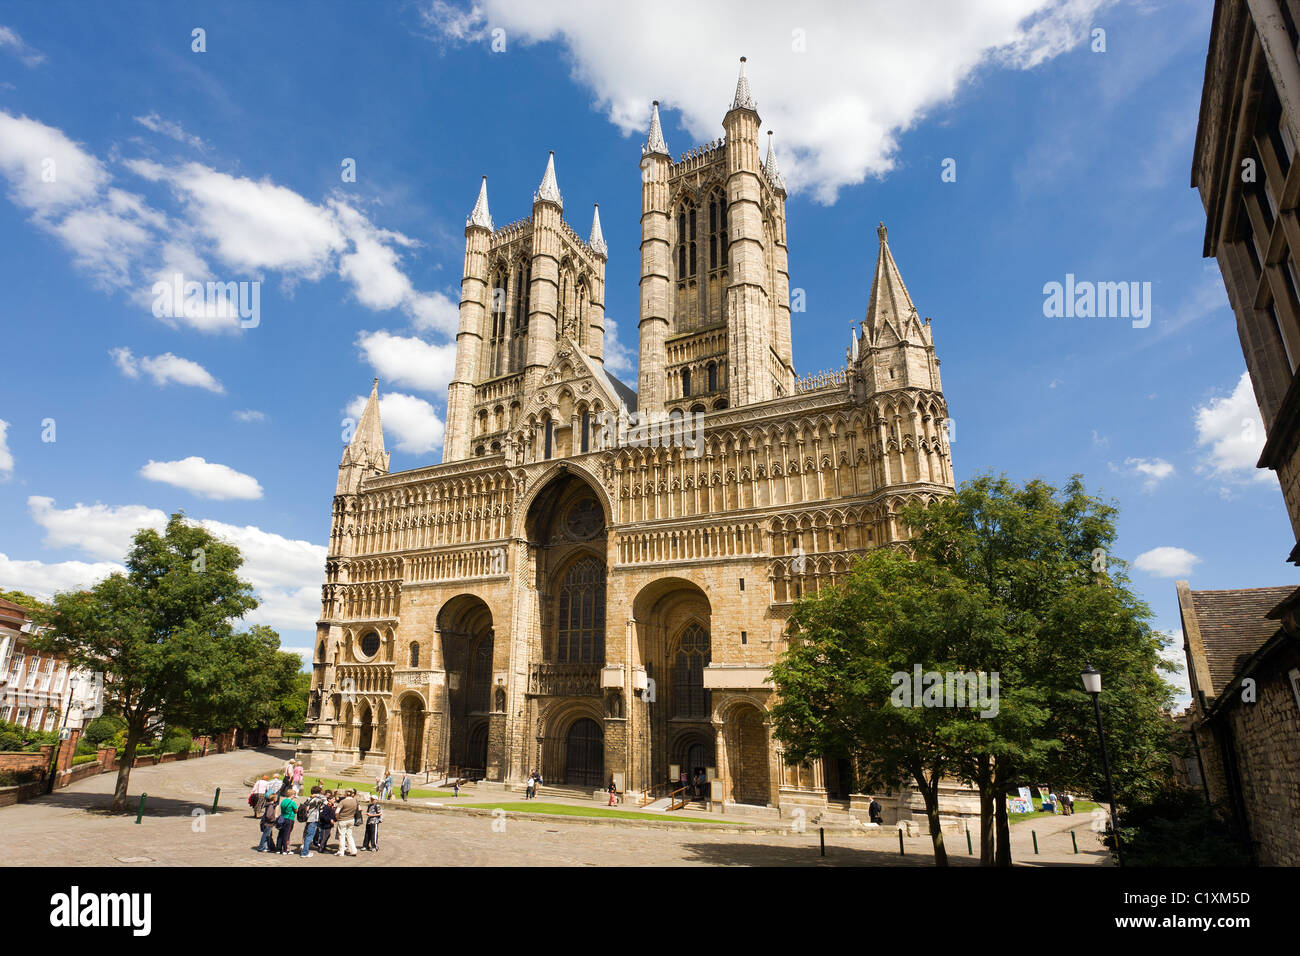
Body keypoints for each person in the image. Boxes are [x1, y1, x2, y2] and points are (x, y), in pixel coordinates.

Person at [299, 787, 325, 858]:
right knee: (309, 836)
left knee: (307, 835)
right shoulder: (315, 799)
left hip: (308, 818)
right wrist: (317, 795)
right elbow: (324, 800)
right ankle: (305, 853)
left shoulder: (309, 798)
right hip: (312, 819)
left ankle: (305, 850)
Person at [335, 789, 359, 857]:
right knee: (349, 835)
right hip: (351, 819)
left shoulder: (343, 801)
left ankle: (341, 851)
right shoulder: (355, 801)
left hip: (343, 819)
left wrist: (338, 818)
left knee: (342, 836)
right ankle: (353, 850)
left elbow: (337, 811)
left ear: (345, 794)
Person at [275, 788, 298, 855]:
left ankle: (278, 849)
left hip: (282, 818)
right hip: (289, 819)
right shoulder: (292, 802)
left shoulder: (283, 801)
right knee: (286, 835)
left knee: (280, 834)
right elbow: (296, 810)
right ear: (292, 795)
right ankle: (286, 850)